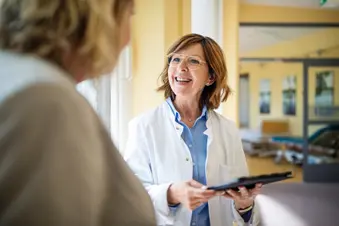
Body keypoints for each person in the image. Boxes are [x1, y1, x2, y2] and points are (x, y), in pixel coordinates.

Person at [0, 0, 156, 226]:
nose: (128, 39)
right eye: (130, 15)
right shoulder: (47, 101)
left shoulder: (17, 78)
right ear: (100, 20)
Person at [124, 33, 262, 226]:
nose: (181, 67)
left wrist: (244, 205)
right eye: (176, 59)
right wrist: (172, 193)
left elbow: (240, 202)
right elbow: (131, 195)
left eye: (193, 61)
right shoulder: (143, 126)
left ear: (211, 77)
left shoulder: (227, 130)